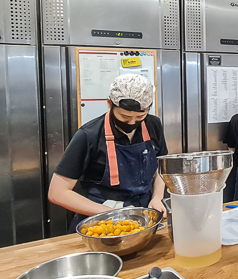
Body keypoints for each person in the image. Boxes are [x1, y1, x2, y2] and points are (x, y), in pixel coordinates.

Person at [49, 74, 168, 232]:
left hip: (144, 217)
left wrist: (157, 198)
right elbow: (57, 192)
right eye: (125, 117)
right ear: (109, 104)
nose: (132, 123)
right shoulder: (88, 135)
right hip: (100, 221)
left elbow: (162, 166)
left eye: (140, 116)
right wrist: (113, 214)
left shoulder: (153, 125)